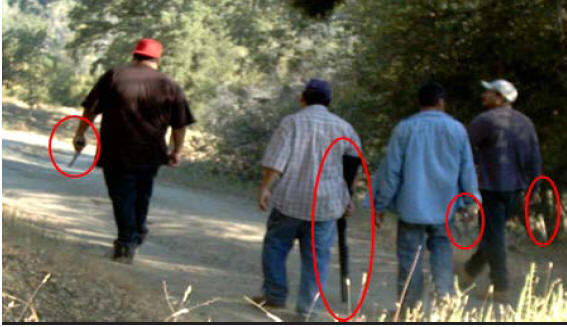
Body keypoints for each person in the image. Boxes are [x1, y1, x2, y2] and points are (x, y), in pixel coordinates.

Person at [73, 38, 196, 263]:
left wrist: (80, 134)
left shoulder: (115, 76)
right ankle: (135, 234)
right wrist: (176, 150)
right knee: (141, 195)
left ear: (134, 54)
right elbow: (179, 124)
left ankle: (126, 242)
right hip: (151, 152)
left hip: (115, 150)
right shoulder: (170, 84)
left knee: (122, 196)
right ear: (158, 59)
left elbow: (90, 108)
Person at [253, 79, 362, 318]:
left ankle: (275, 294)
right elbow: (353, 166)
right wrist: (348, 197)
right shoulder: (345, 128)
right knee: (318, 257)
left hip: (290, 199)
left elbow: (276, 162)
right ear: (329, 102)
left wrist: (264, 188)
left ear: (302, 98)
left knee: (275, 246)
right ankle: (307, 309)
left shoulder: (292, 123)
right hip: (326, 204)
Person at [371, 82, 480, 313]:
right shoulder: (457, 129)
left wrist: (379, 205)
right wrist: (471, 203)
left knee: (410, 259)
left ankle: (409, 310)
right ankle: (446, 306)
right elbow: (466, 169)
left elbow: (392, 172)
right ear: (441, 102)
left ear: (419, 103)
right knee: (442, 256)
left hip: (412, 208)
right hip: (445, 209)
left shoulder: (404, 128)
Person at [461, 80, 542, 300]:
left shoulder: (485, 120)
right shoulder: (526, 122)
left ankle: (501, 287)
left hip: (491, 187)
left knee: (494, 236)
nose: (483, 95)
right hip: (516, 189)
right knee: (492, 233)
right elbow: (535, 157)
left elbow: (462, 148)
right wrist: (534, 187)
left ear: (499, 98)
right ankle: (468, 273)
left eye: (488, 92)